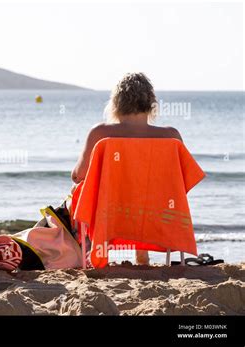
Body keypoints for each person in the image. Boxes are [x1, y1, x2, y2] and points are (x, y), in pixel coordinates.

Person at [71, 72, 183, 265]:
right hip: (154, 212)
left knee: (78, 191)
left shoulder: (101, 133)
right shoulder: (171, 136)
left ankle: (96, 252)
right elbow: (180, 181)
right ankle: (142, 255)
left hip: (112, 210)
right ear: (151, 104)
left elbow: (78, 176)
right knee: (144, 194)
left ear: (116, 103)